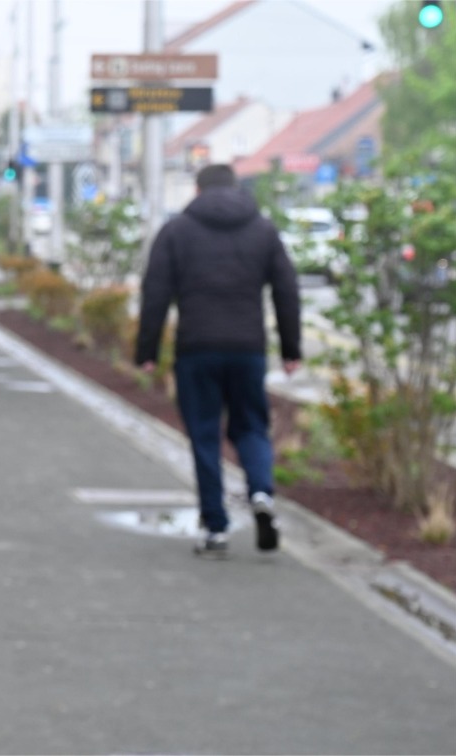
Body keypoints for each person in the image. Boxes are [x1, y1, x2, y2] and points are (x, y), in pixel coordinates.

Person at [134, 163, 301, 559]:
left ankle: (216, 528)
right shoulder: (263, 230)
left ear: (197, 189)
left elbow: (155, 293)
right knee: (252, 426)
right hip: (248, 348)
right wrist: (291, 349)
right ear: (236, 188)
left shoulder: (176, 231)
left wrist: (147, 352)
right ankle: (261, 493)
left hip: (197, 348)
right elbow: (286, 290)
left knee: (205, 434)